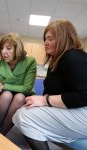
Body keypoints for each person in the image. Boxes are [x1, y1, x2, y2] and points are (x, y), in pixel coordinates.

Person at [12, 19, 87, 150]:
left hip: (83, 112)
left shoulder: (72, 57)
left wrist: (45, 100)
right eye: (45, 39)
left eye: (50, 39)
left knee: (24, 117)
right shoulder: (58, 60)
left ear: (64, 38)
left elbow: (84, 96)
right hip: (78, 111)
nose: (45, 43)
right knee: (25, 112)